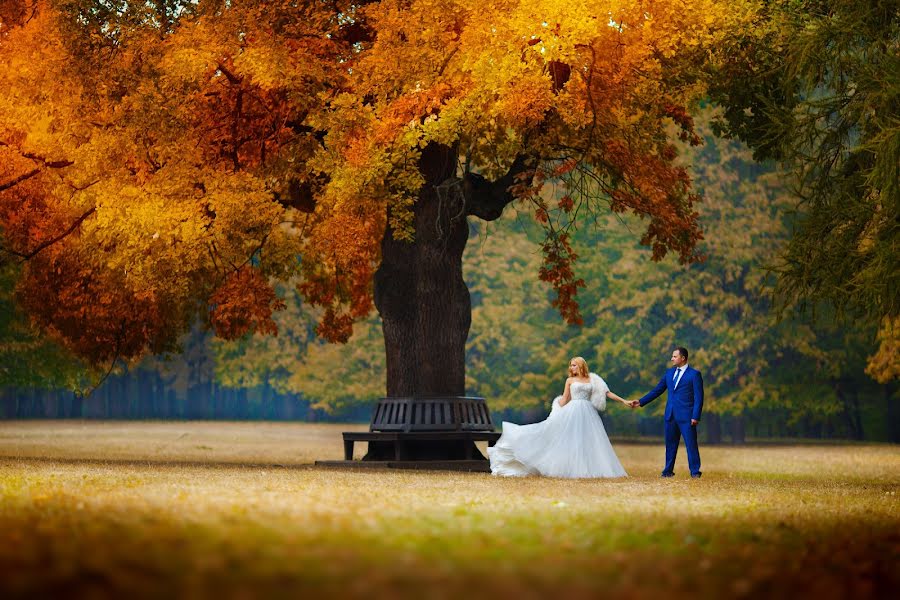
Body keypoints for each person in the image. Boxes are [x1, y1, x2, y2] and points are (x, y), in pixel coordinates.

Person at [488, 357, 630, 478]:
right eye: (571, 365)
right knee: (570, 439)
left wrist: (624, 401)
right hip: (573, 411)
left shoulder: (592, 379)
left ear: (580, 365)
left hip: (588, 413)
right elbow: (564, 399)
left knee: (589, 440)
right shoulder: (569, 380)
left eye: (574, 365)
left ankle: (590, 468)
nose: (571, 367)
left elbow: (606, 393)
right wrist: (556, 409)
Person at [630, 347, 704, 478]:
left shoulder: (694, 374)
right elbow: (657, 390)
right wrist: (641, 402)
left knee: (691, 444)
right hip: (670, 415)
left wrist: (695, 416)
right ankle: (667, 471)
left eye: (674, 356)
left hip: (687, 417)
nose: (672, 358)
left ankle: (695, 472)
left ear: (683, 358)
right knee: (670, 444)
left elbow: (699, 397)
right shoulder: (669, 374)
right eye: (672, 356)